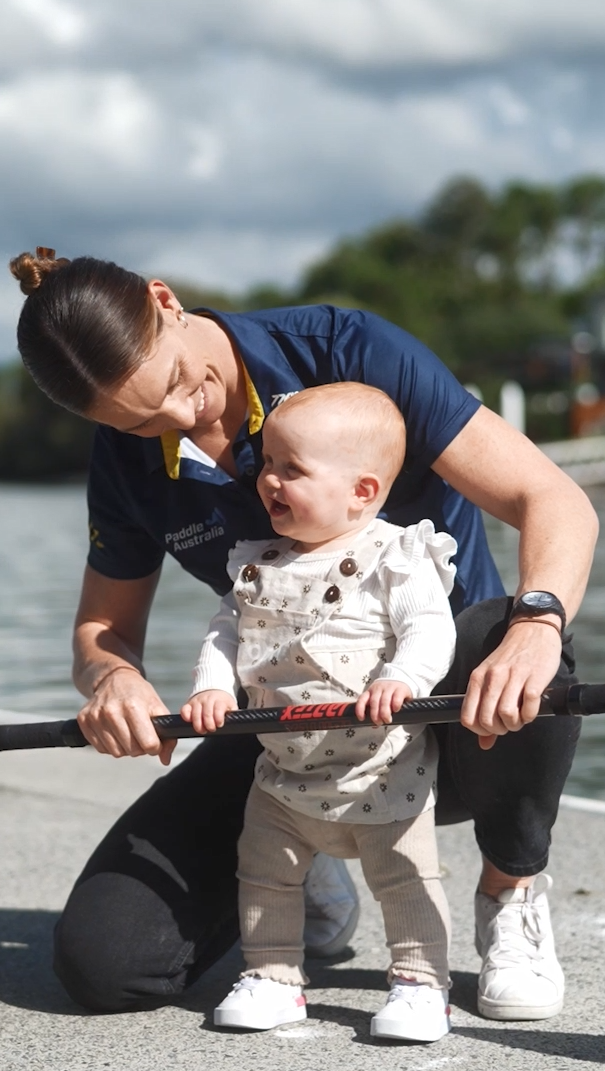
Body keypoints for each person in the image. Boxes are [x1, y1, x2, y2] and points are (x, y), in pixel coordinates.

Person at [8, 247, 599, 1021]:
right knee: (104, 964)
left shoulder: (347, 351)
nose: (184, 419)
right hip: (285, 732)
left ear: (165, 299)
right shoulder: (123, 455)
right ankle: (302, 853)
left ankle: (510, 892)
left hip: (448, 715)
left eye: (180, 385)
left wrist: (537, 621)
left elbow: (550, 497)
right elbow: (103, 630)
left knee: (516, 639)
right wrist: (110, 678)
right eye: (140, 419)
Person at [181, 382, 458, 1040]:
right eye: (267, 462)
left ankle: (421, 983)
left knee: (406, 877)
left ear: (361, 492)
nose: (267, 480)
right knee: (264, 869)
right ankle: (271, 973)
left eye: (290, 468)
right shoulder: (256, 564)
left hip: (380, 767)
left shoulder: (396, 555)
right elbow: (224, 634)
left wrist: (402, 676)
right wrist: (211, 687)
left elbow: (430, 628)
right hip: (283, 769)